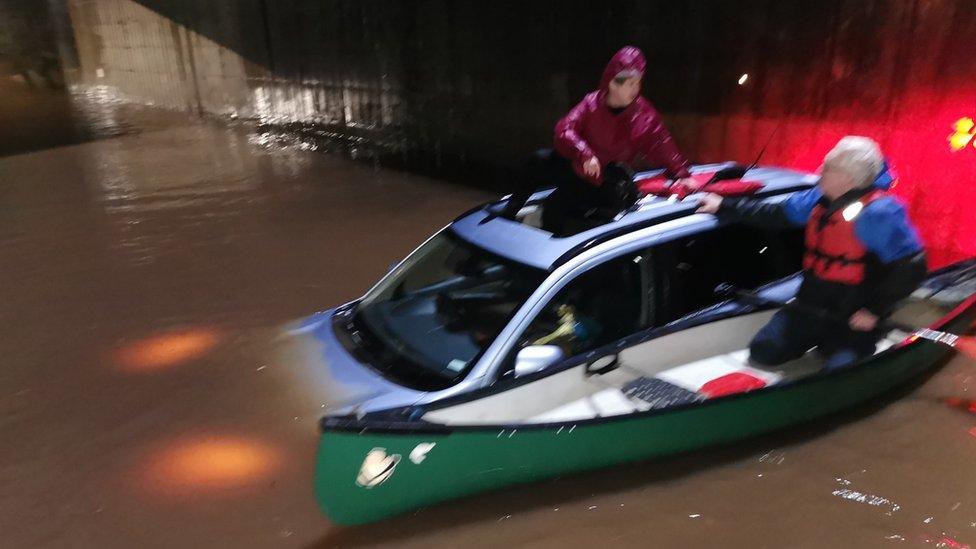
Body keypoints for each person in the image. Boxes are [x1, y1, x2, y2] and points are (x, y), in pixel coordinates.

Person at [696, 136, 927, 370]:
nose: (819, 171)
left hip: (854, 313)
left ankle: (849, 347)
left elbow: (912, 267)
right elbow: (774, 213)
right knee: (764, 350)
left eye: (828, 169)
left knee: (837, 372)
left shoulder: (880, 214)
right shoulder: (818, 199)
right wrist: (724, 206)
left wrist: (874, 311)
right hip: (811, 303)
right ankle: (819, 341)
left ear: (848, 180)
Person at [495, 46, 696, 234]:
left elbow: (662, 144)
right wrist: (584, 152)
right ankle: (510, 212)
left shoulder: (644, 114)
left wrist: (681, 172)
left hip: (605, 178)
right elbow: (565, 128)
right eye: (630, 83)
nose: (635, 89)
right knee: (538, 160)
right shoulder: (591, 103)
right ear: (612, 82)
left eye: (638, 83)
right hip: (579, 165)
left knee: (558, 209)